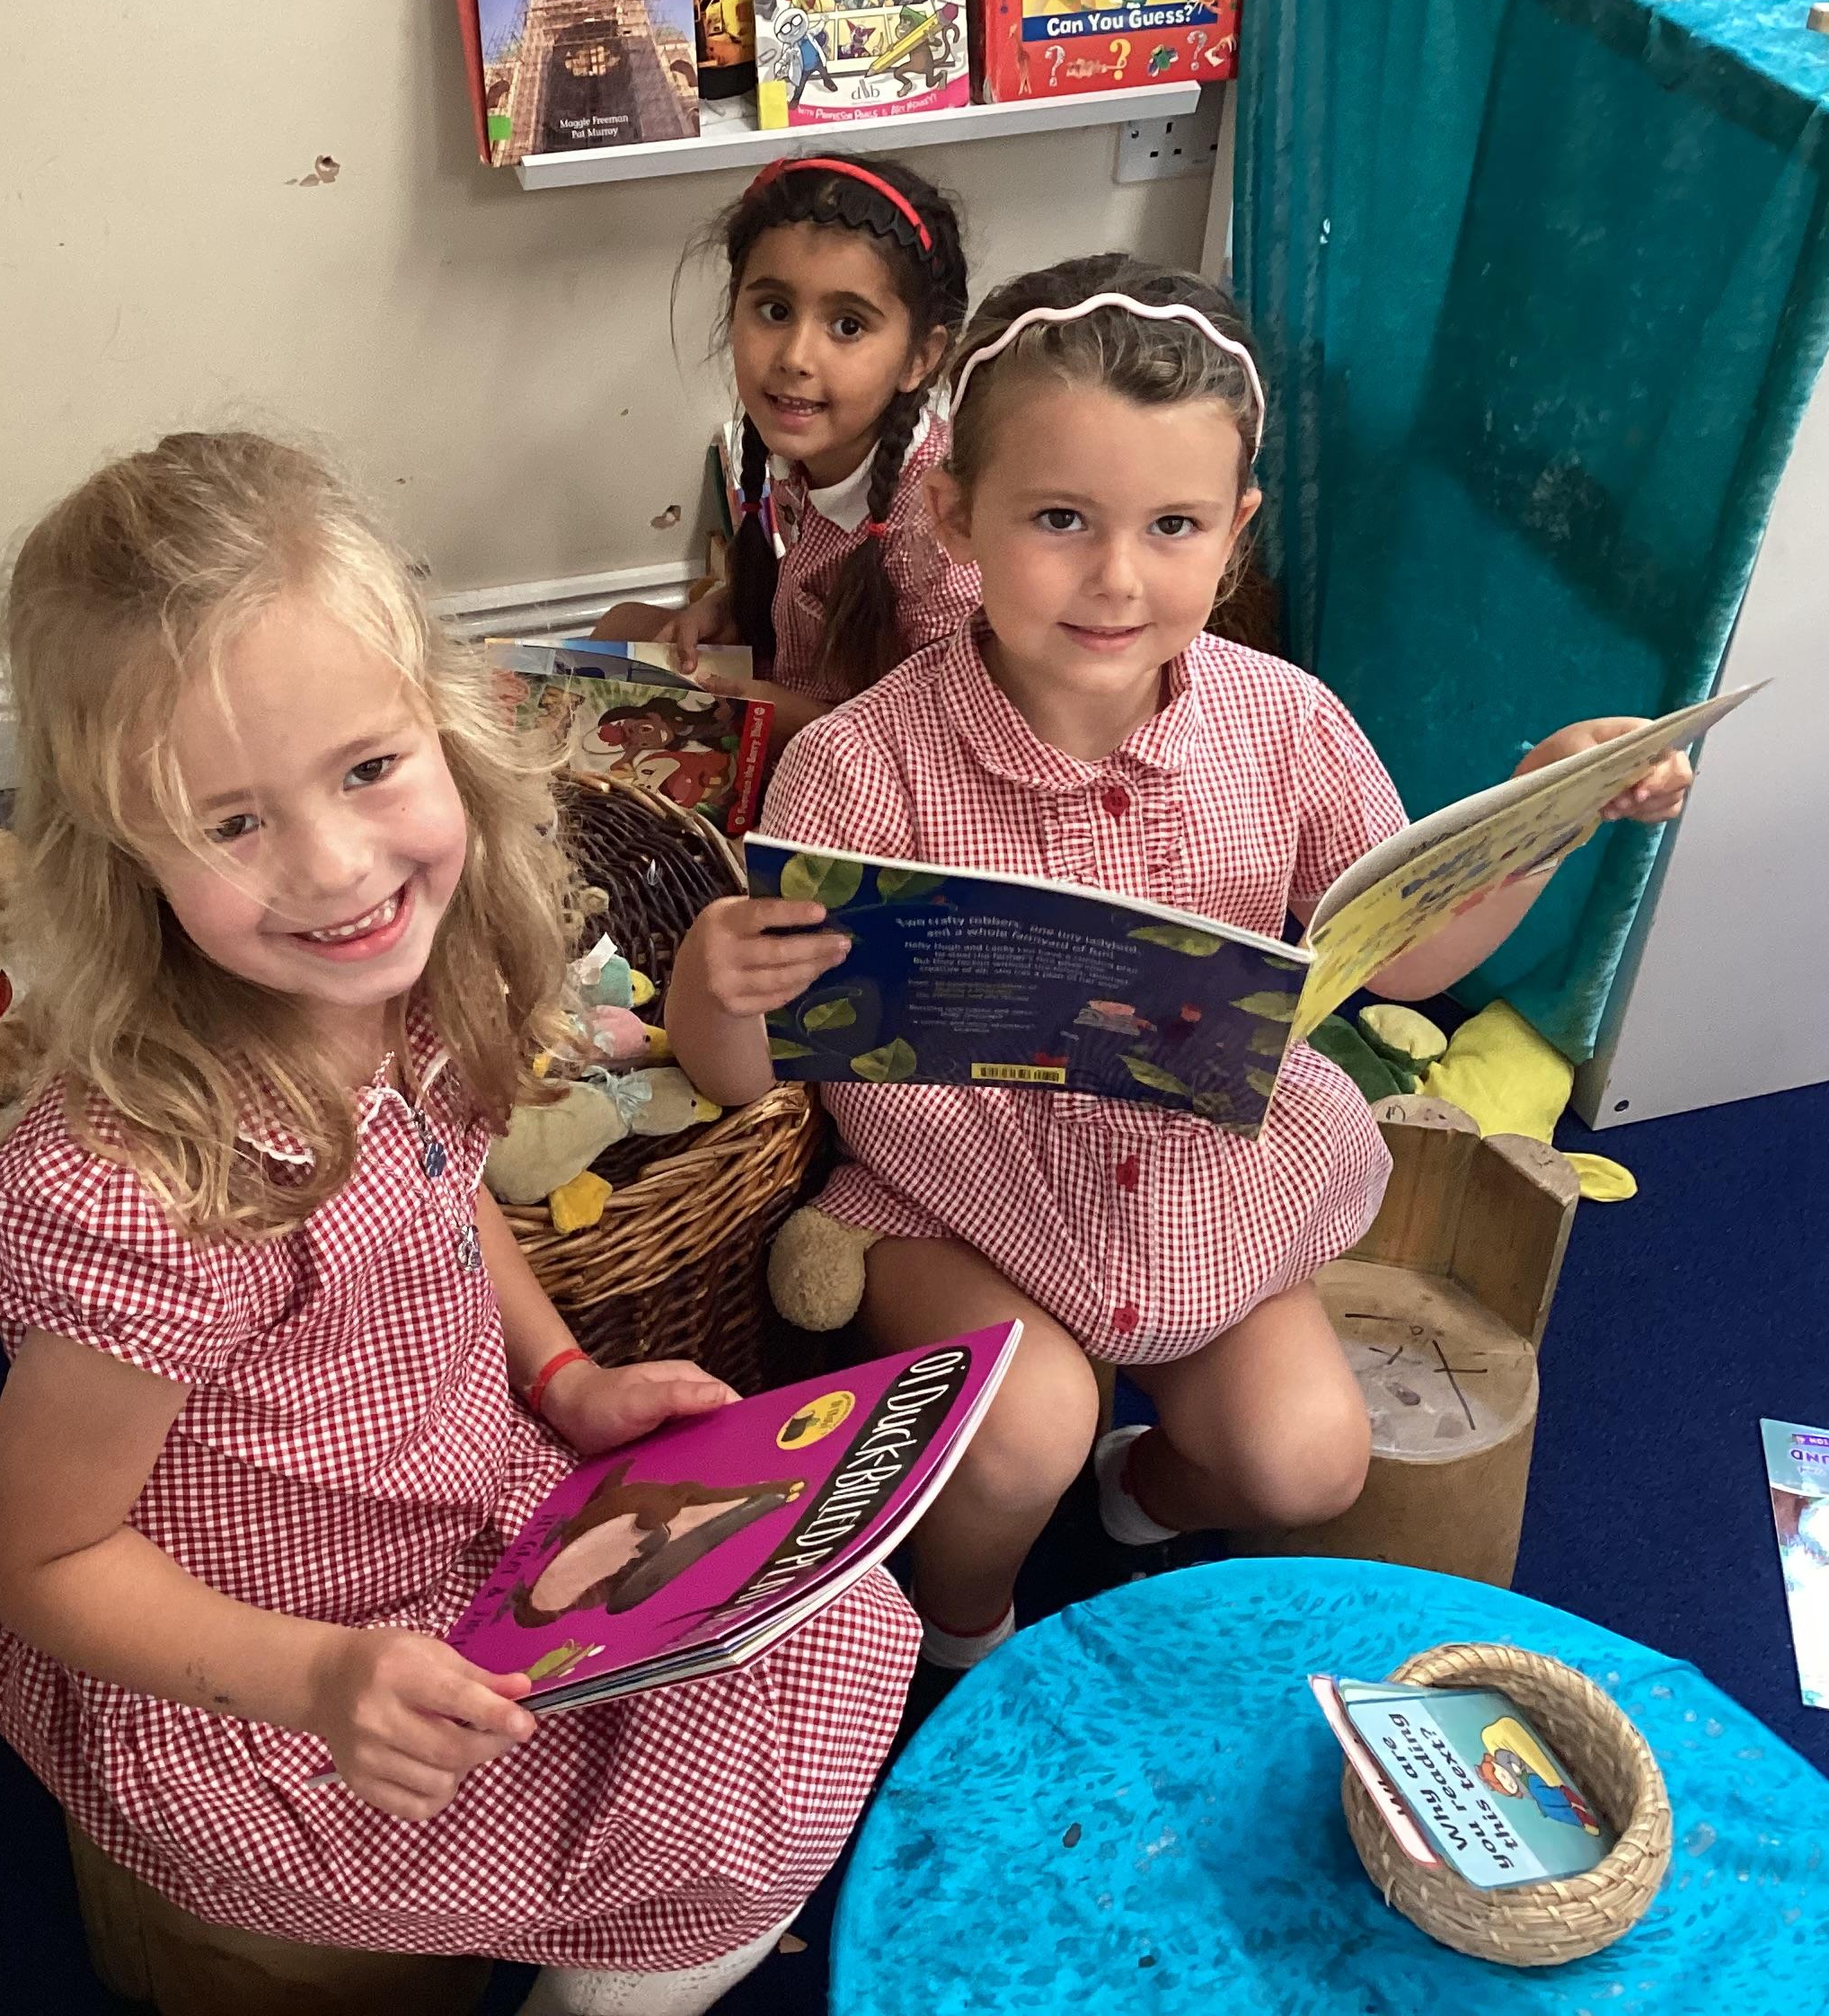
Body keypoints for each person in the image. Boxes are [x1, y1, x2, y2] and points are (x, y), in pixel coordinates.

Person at [0, 431, 915, 2012]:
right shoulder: (137, 1187)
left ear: (444, 725)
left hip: (466, 1505)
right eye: (231, 822)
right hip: (264, 1661)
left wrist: (561, 1378)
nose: (337, 868)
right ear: (120, 855)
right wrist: (320, 1676)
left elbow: (444, 1188)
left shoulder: (409, 989)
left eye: (366, 768)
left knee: (831, 1618)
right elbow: (42, 1552)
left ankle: (624, 1951)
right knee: (710, 1805)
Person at [668, 260, 1692, 1671]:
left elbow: (1405, 969)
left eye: (1173, 526)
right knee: (1025, 1429)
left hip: (1205, 1200)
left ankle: (1135, 1499)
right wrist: (713, 983)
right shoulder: (857, 766)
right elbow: (747, 1080)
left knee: (1307, 1461)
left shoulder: (1288, 723)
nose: (1116, 579)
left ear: (1236, 532)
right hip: (956, 1207)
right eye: (1059, 519)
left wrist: (1536, 826)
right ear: (955, 517)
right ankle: (963, 1640)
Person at [593, 154, 969, 737]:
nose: (795, 357)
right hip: (799, 682)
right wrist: (726, 607)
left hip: (864, 753)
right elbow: (801, 587)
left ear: (920, 358)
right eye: (775, 311)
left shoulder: (937, 537)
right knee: (620, 628)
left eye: (848, 326)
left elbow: (940, 742)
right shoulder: (809, 448)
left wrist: (782, 716)